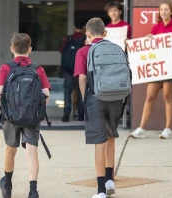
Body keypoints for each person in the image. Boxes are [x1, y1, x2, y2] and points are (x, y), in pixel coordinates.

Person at [74, 18, 126, 198]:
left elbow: (82, 78)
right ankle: (110, 179)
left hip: (96, 97)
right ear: (105, 33)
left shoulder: (83, 51)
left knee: (99, 141)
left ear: (87, 34)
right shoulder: (115, 48)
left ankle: (101, 190)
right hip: (115, 97)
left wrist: (84, 98)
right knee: (111, 136)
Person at [0, 33, 51, 198]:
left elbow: (0, 94)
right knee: (32, 152)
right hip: (32, 117)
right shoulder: (37, 69)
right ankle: (33, 191)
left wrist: (7, 112)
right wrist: (37, 113)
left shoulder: (6, 68)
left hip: (11, 117)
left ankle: (7, 185)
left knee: (10, 150)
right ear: (30, 49)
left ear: (12, 48)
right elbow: (46, 94)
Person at [130, 1, 172, 139]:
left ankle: (168, 129)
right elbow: (153, 48)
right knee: (149, 97)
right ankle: (142, 128)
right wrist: (150, 39)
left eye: (166, 9)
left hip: (170, 66)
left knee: (167, 96)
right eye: (161, 10)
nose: (164, 12)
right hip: (157, 68)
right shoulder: (156, 28)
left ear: (171, 11)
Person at [60, 22, 86, 122]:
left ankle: (66, 114)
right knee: (81, 92)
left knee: (67, 92)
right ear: (83, 28)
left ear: (74, 28)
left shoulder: (68, 39)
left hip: (68, 70)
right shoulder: (84, 39)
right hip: (80, 69)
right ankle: (81, 115)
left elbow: (61, 50)